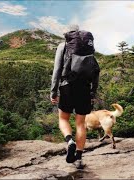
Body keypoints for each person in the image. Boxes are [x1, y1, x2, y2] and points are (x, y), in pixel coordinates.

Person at [50, 25, 99, 169]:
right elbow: (96, 71)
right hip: (84, 89)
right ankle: (78, 158)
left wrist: (53, 92)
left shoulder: (63, 46)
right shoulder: (87, 48)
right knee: (80, 124)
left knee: (63, 118)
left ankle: (69, 141)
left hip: (67, 86)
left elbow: (57, 70)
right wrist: (92, 93)